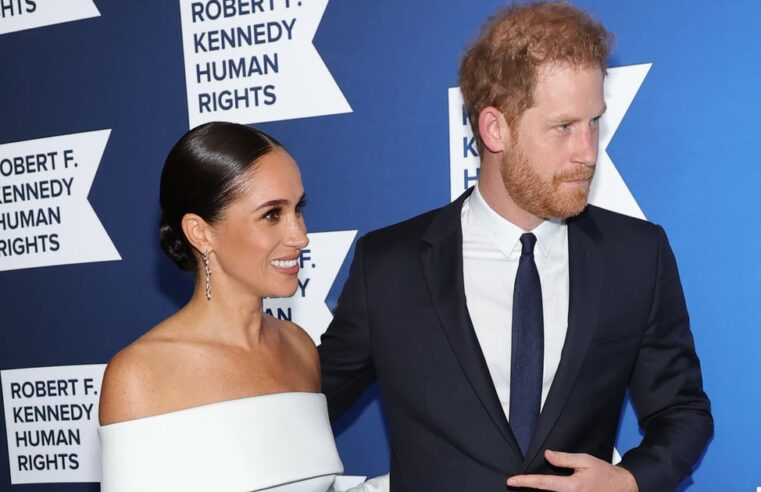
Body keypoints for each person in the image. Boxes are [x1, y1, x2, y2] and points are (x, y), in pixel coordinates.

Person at [318, 3, 712, 491]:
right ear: (494, 129)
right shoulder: (389, 266)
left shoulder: (636, 255)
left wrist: (630, 481)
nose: (588, 152)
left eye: (594, 122)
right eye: (564, 127)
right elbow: (306, 409)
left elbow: (682, 410)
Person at [98, 122, 345, 491]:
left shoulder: (299, 347)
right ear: (201, 232)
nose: (300, 236)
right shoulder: (140, 375)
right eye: (272, 214)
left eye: (298, 208)